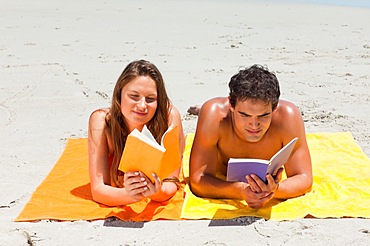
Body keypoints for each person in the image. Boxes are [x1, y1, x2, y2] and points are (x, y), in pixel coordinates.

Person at [189, 64, 312, 209]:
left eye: (264, 115)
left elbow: (304, 178)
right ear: (231, 105)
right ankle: (199, 109)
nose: (254, 125)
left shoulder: (288, 116)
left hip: (268, 182)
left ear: (274, 108)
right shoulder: (214, 115)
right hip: (225, 169)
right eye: (244, 115)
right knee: (207, 109)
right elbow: (198, 181)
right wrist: (240, 191)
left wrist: (274, 191)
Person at [88, 60, 185, 206]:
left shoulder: (169, 117)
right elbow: (98, 190)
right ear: (119, 94)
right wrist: (130, 194)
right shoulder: (102, 121)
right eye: (134, 96)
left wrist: (156, 192)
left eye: (150, 99)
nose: (142, 106)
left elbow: (171, 182)